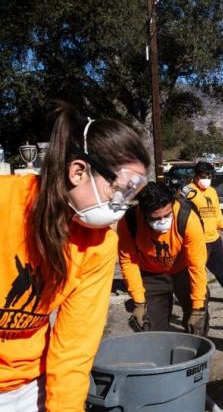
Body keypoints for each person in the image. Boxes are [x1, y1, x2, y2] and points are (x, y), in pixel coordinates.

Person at [0, 104, 150, 411]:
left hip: (28, 387)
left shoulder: (99, 243)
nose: (122, 206)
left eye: (131, 195)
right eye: (119, 190)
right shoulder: (6, 203)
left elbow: (73, 351)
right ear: (77, 171)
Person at [118, 182, 209, 335]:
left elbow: (197, 265)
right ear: (143, 213)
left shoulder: (187, 219)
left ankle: (197, 356)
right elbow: (128, 262)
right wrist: (139, 302)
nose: (162, 221)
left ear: (173, 204)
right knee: (152, 329)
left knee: (197, 325)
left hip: (184, 271)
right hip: (151, 275)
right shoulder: (129, 222)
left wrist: (198, 308)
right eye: (155, 218)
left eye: (167, 215)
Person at [184, 162, 223, 303]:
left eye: (209, 176)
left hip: (214, 237)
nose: (206, 179)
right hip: (197, 240)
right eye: (203, 176)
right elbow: (179, 214)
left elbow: (216, 212)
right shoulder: (187, 192)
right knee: (197, 272)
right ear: (195, 176)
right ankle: (195, 299)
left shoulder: (212, 191)